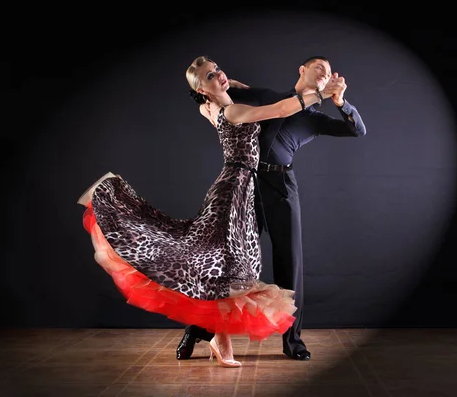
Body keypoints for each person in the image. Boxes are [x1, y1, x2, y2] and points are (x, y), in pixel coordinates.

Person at [77, 55, 339, 368]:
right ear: (203, 90)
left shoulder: (212, 106)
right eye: (210, 76)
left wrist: (227, 85)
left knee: (222, 269)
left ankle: (204, 335)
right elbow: (281, 110)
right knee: (225, 269)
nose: (219, 75)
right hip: (234, 192)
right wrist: (322, 94)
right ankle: (212, 337)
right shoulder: (233, 110)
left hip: (240, 188)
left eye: (218, 69)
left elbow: (218, 95)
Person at [177, 56, 367, 361]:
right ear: (302, 71)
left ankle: (293, 342)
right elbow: (220, 90)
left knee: (290, 265)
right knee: (230, 267)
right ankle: (198, 329)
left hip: (281, 186)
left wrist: (341, 101)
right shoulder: (268, 97)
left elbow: (357, 130)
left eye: (330, 73)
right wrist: (221, 89)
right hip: (246, 185)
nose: (325, 73)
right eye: (319, 67)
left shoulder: (314, 118)